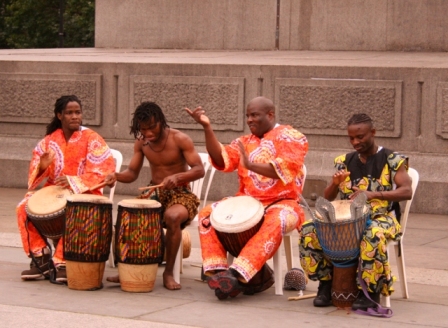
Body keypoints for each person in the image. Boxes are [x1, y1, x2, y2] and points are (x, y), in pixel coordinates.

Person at [186, 96, 308, 300]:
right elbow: (220, 159)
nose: (249, 120)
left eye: (254, 115)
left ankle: (236, 274)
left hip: (283, 204)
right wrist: (207, 128)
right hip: (247, 203)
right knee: (207, 214)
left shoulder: (291, 137)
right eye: (247, 116)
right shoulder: (244, 142)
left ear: (270, 115)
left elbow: (284, 169)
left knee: (275, 220)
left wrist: (251, 166)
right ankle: (218, 273)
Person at [299, 113, 413, 310]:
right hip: (346, 218)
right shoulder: (344, 161)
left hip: (382, 218)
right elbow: (327, 199)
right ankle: (325, 284)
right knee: (310, 228)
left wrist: (373, 195)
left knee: (372, 234)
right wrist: (335, 184)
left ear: (373, 133)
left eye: (360, 137)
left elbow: (407, 191)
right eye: (351, 138)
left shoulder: (393, 160)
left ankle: (371, 291)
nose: (355, 142)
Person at [104, 101, 205, 290]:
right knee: (129, 214)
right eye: (143, 129)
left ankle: (168, 273)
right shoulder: (142, 142)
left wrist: (178, 176)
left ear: (160, 121)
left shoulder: (180, 139)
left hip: (181, 194)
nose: (148, 133)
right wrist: (116, 176)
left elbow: (200, 170)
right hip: (155, 192)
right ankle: (129, 267)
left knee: (172, 216)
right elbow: (132, 173)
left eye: (152, 127)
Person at [17, 95, 116, 282]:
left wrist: (73, 181)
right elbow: (34, 174)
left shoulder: (92, 139)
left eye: (77, 112)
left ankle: (62, 261)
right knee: (23, 206)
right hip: (54, 190)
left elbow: (103, 170)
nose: (74, 116)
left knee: (74, 207)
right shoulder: (49, 140)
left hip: (85, 191)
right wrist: (43, 166)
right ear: (59, 115)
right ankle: (41, 258)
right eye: (69, 113)